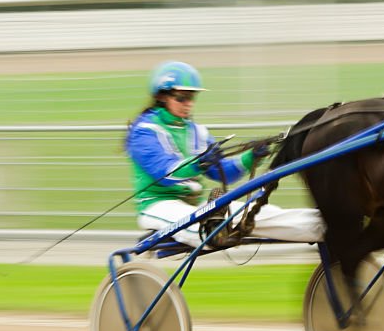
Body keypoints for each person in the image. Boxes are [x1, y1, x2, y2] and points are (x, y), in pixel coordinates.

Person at [125, 61, 324, 248]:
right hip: (158, 206)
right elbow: (166, 173)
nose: (188, 103)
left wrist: (251, 157)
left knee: (257, 213)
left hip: (197, 208)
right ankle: (213, 229)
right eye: (181, 97)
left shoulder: (197, 132)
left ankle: (323, 225)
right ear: (161, 96)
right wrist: (200, 163)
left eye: (192, 97)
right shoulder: (144, 131)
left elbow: (224, 173)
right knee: (202, 225)